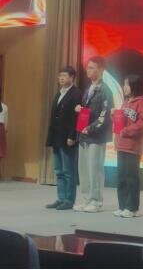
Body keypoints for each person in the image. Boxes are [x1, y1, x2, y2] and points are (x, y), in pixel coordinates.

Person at [74, 56, 114, 213]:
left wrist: (90, 128)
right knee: (83, 169)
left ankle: (96, 201)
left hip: (96, 136)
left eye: (92, 67)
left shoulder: (105, 90)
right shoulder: (88, 89)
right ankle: (86, 199)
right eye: (88, 67)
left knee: (94, 169)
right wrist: (80, 110)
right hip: (84, 135)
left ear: (101, 69)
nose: (88, 70)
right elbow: (87, 111)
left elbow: (104, 115)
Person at [113, 74, 143, 218]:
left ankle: (132, 207)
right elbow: (120, 121)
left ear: (134, 86)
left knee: (131, 177)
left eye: (127, 85)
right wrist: (114, 116)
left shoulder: (142, 102)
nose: (125, 87)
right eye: (124, 84)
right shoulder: (125, 102)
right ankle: (122, 206)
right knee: (121, 176)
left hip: (133, 146)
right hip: (121, 144)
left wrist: (127, 131)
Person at [45, 66, 81, 210]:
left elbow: (76, 117)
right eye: (60, 76)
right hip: (56, 137)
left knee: (68, 171)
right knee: (59, 171)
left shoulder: (76, 93)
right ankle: (60, 198)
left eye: (64, 76)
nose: (61, 78)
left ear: (72, 77)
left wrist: (72, 136)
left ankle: (69, 200)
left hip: (67, 137)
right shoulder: (59, 93)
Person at [0, 89, 7, 179]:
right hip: (1, 128)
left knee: (0, 151)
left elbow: (6, 121)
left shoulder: (5, 107)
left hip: (1, 128)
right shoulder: (5, 107)